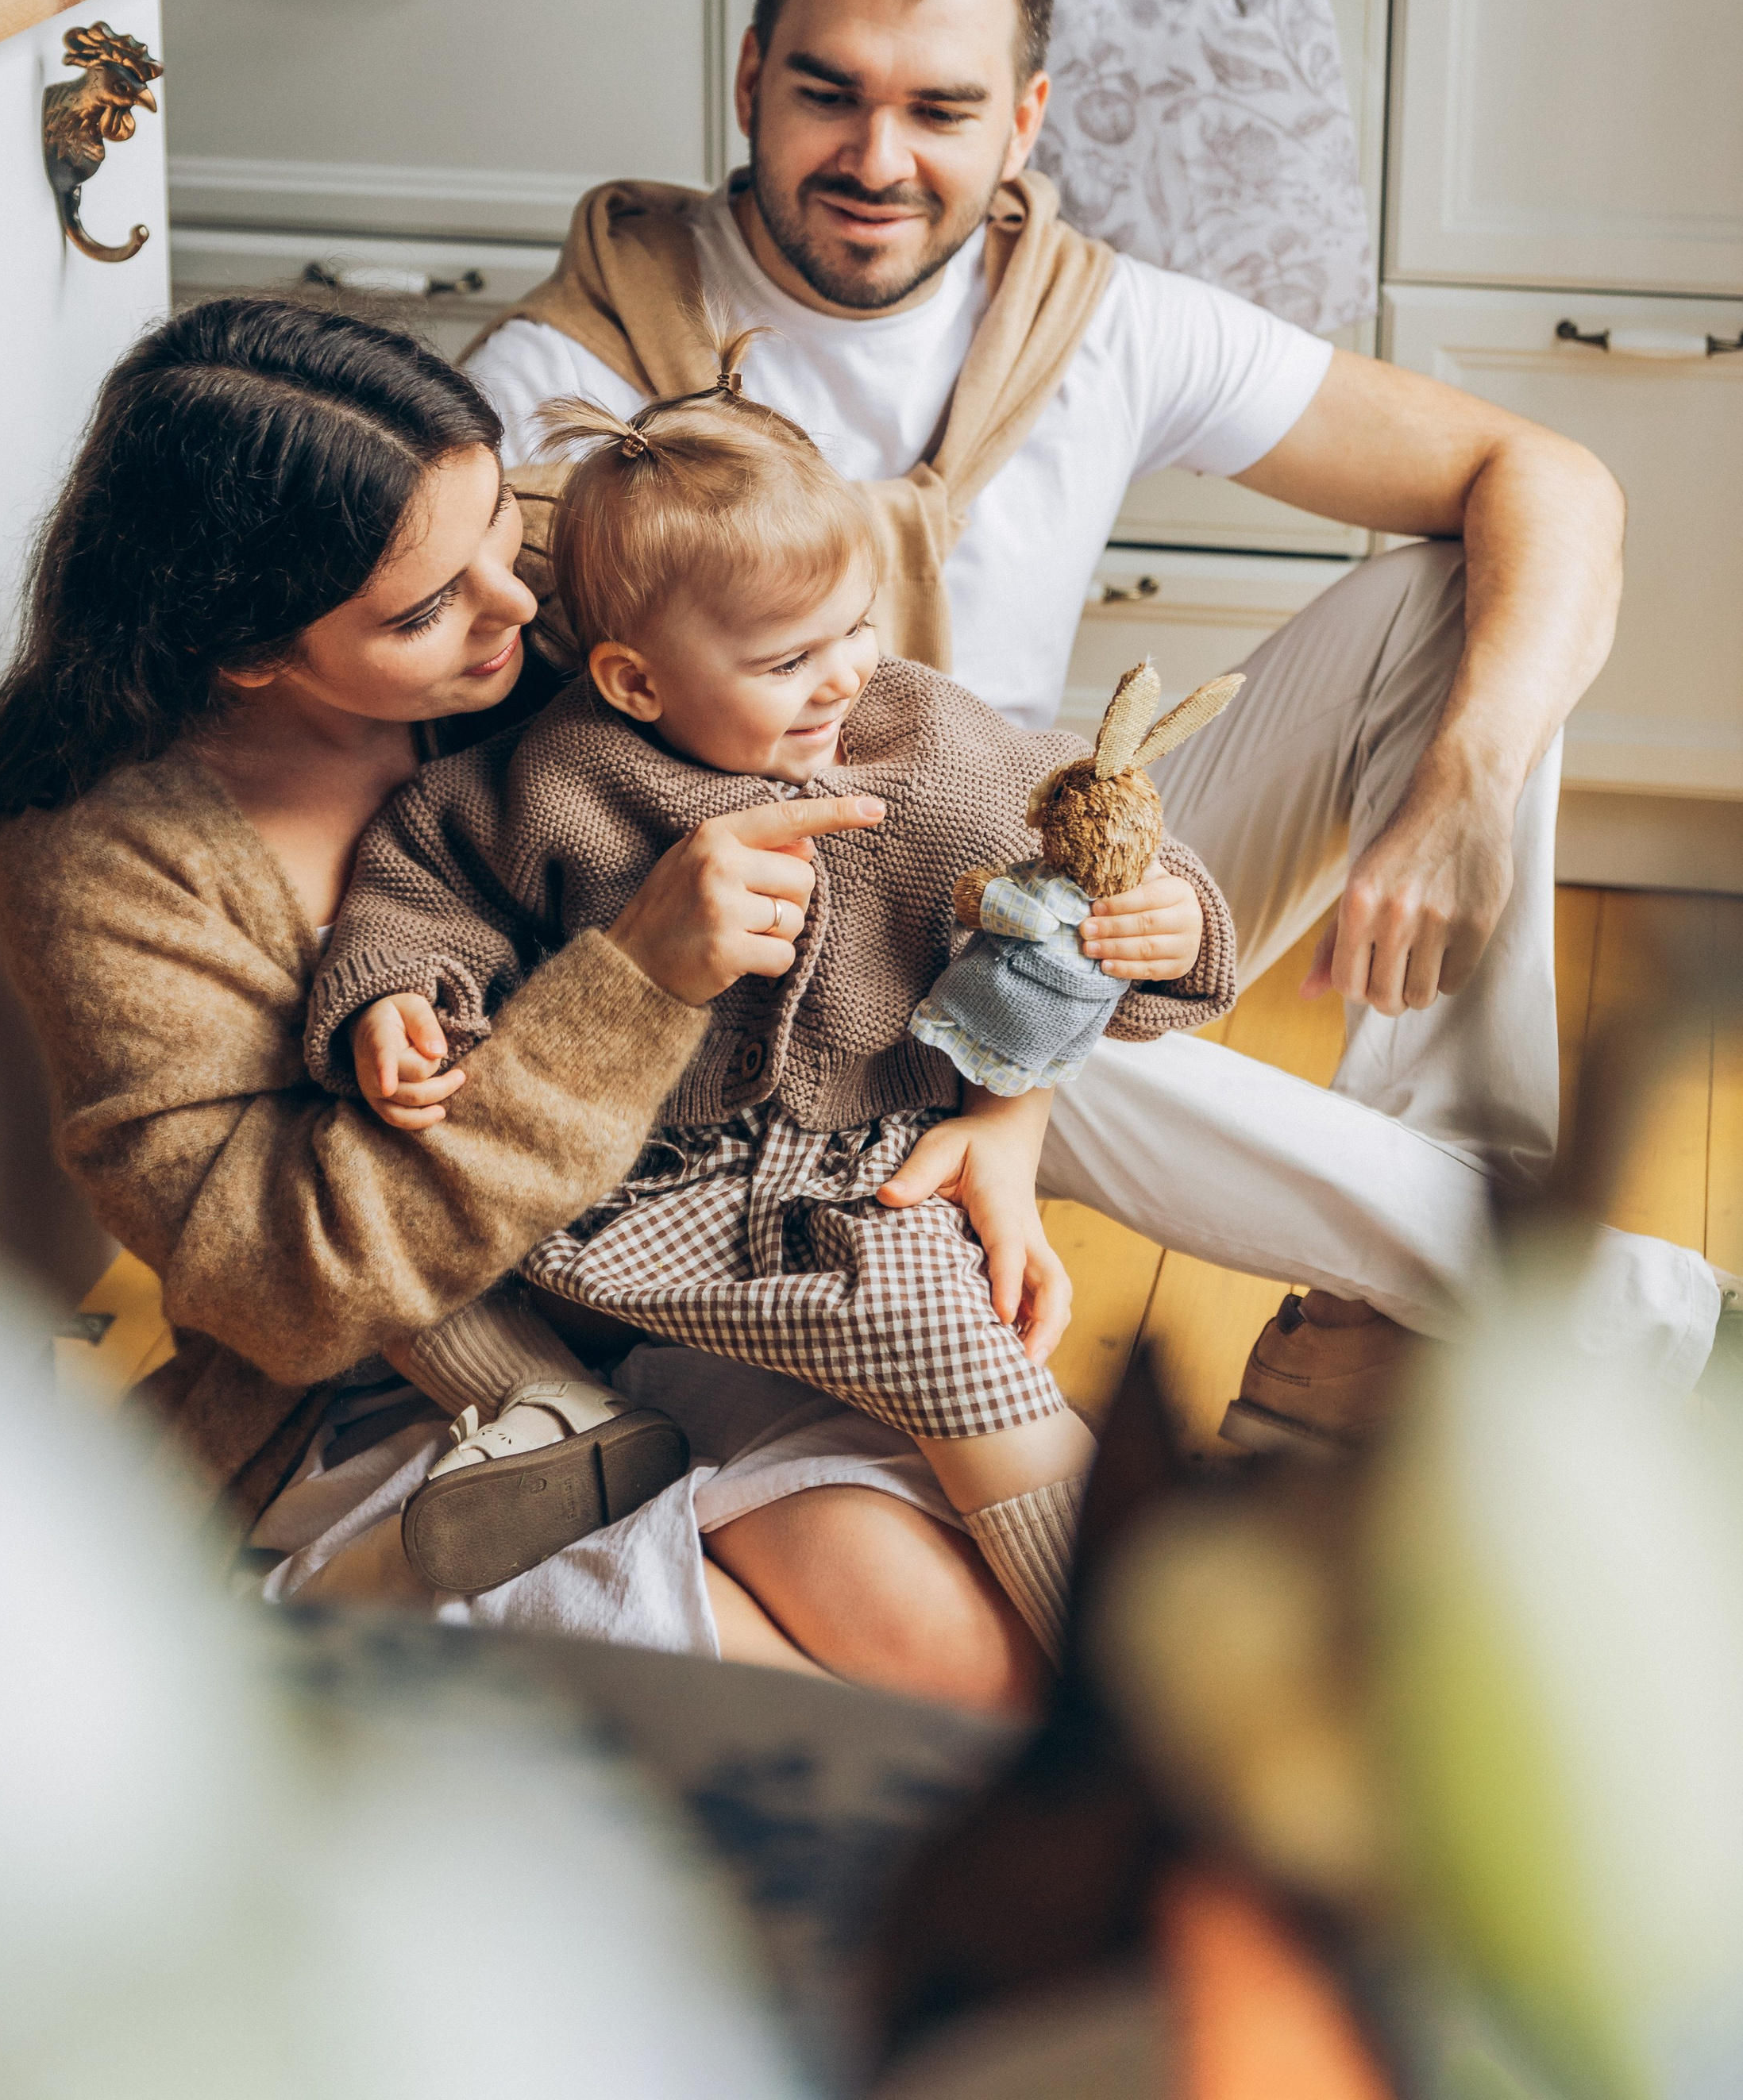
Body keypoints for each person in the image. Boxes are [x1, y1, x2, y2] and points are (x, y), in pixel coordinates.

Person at [463, 0, 1726, 1429]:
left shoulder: (1086, 318)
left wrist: (1462, 787)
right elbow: (442, 781)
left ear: (1024, 121)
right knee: (1007, 991)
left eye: (939, 109)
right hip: (774, 1005)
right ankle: (1613, 1316)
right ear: (747, 79)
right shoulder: (572, 384)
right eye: (827, 93)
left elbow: (1545, 479)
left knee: (1452, 600)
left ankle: (1379, 1336)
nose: (875, 157)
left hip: (1023, 853)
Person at [0, 295, 1047, 1709]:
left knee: (971, 1658)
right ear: (249, 650)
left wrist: (1011, 1119)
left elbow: (936, 802)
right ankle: (328, 1613)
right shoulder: (107, 863)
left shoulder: (572, 589)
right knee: (871, 1727)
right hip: (401, 1389)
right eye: (427, 610)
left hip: (713, 1276)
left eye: (502, 536)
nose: (522, 609)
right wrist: (634, 984)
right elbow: (278, 1282)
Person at [303, 355, 1237, 1658]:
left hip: (856, 1188)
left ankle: (1143, 1667)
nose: (844, 675)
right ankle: (553, 1415)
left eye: (857, 627)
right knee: (378, 1214)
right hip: (622, 1188)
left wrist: (1172, 918)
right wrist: (394, 998)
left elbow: (1090, 829)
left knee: (967, 1368)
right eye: (789, 658)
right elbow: (419, 887)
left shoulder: (925, 741)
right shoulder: (554, 779)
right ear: (636, 682)